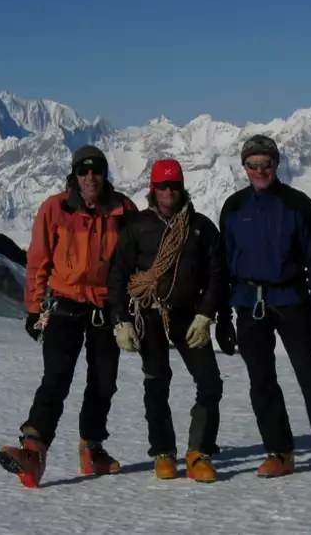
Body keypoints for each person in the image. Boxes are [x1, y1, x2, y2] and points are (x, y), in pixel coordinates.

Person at [0, 145, 137, 488]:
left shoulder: (123, 209)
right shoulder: (55, 208)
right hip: (65, 302)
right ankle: (32, 451)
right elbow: (38, 260)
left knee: (104, 381)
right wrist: (33, 309)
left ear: (105, 174)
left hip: (105, 305)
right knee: (56, 377)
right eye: (83, 171)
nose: (91, 177)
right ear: (74, 175)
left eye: (97, 170)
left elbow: (136, 257)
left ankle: (92, 448)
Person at [217, 134, 311, 480]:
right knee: (261, 380)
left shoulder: (297, 204)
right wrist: (223, 314)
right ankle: (280, 452)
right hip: (248, 302)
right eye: (253, 165)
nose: (260, 170)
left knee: (309, 373)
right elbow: (224, 263)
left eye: (267, 164)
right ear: (244, 167)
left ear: (277, 164)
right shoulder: (233, 207)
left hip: (290, 298)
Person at [107, 159, 226, 483]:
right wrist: (121, 320)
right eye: (163, 186)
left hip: (189, 314)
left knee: (210, 381)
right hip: (150, 312)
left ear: (182, 187)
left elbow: (217, 275)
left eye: (173, 185)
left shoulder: (200, 228)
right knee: (156, 381)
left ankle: (199, 451)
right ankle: (163, 451)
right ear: (153, 189)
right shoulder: (136, 227)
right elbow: (118, 274)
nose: (168, 191)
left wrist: (206, 314)